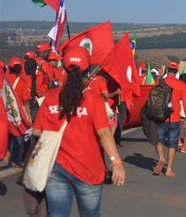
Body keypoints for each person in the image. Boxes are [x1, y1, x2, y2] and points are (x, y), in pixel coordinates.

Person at [32, 46, 125, 216]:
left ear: (65, 68)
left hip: (56, 168)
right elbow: (104, 133)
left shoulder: (51, 97)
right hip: (89, 169)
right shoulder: (92, 99)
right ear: (87, 70)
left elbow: (37, 132)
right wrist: (115, 161)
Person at [153, 62, 186, 177]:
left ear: (167, 70)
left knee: (158, 140)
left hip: (161, 117)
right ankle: (168, 170)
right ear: (177, 72)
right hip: (174, 118)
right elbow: (185, 102)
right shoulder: (181, 84)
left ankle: (161, 158)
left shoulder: (160, 82)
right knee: (172, 144)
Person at [5, 57, 32, 168]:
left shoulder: (4, 80)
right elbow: (26, 102)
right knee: (19, 137)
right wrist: (29, 117)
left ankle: (9, 159)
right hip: (17, 114)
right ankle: (17, 160)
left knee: (9, 137)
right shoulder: (22, 82)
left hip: (6, 113)